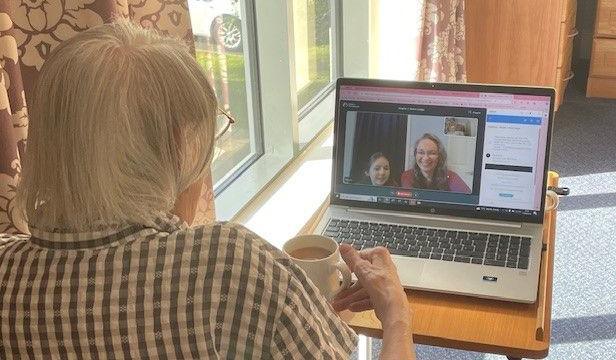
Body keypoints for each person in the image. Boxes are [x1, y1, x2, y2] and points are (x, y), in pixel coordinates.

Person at [0, 20, 415, 359]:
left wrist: (296, 316)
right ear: (181, 147)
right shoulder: (233, 265)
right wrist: (395, 313)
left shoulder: (7, 271)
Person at [401, 133, 471, 193]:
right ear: (415, 155)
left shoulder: (451, 177)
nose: (426, 158)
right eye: (421, 152)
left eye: (432, 153)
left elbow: (469, 199)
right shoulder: (407, 176)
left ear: (439, 156)